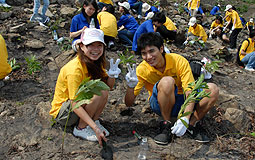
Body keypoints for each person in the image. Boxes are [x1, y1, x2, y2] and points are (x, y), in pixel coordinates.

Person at [124, 32, 219, 145]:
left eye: (151, 51)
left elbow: (190, 91)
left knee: (213, 89)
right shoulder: (141, 69)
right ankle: (166, 124)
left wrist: (185, 118)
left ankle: (191, 124)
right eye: (144, 53)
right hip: (160, 104)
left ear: (161, 49)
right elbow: (129, 103)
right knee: (167, 81)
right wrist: (130, 86)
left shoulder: (178, 61)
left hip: (182, 101)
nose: (148, 57)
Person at [50, 28, 121, 145]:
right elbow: (74, 102)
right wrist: (95, 128)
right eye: (90, 45)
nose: (96, 50)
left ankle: (92, 121)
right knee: (96, 93)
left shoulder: (96, 63)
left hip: (79, 106)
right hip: (64, 114)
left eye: (99, 45)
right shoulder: (74, 70)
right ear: (82, 47)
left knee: (102, 90)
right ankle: (81, 128)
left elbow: (108, 88)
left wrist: (112, 76)